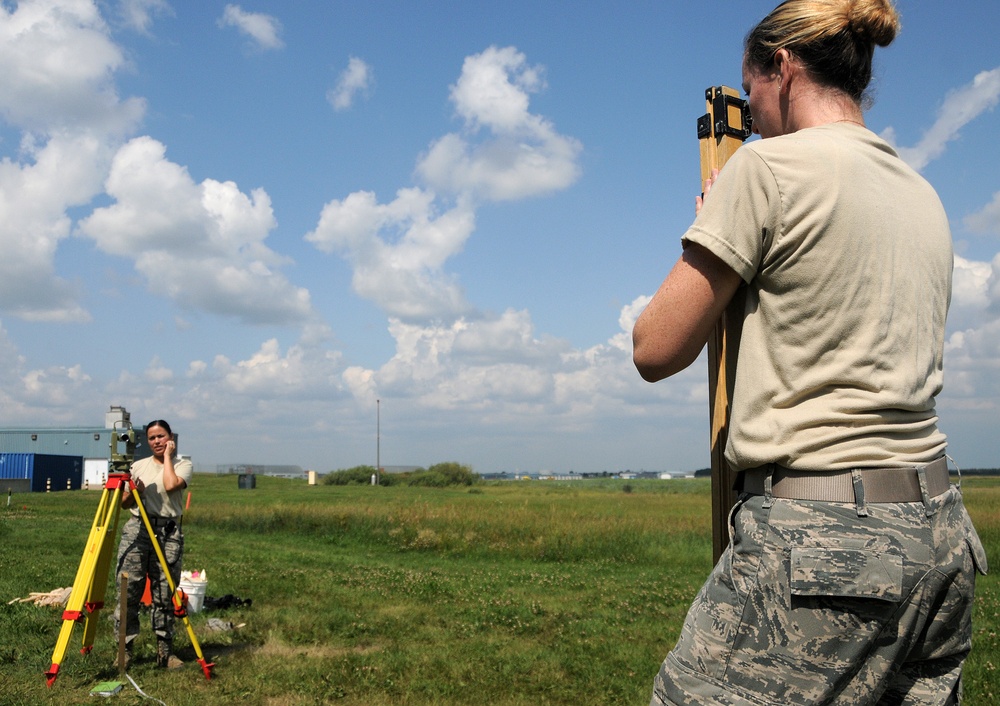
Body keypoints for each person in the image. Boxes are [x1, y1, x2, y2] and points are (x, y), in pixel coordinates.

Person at [632, 0, 988, 703]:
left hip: (825, 538)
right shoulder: (923, 192)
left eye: (753, 88)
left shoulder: (766, 170)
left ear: (783, 69)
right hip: (941, 531)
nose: (754, 112)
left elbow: (655, 346)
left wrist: (712, 223)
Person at [113, 419, 193, 670]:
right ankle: (124, 651)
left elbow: (170, 485)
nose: (156, 442)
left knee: (164, 592)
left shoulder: (183, 464)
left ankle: (165, 653)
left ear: (170, 438)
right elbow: (125, 503)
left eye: (161, 436)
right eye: (151, 438)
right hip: (138, 528)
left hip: (167, 530)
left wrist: (168, 457)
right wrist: (131, 491)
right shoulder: (137, 466)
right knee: (129, 590)